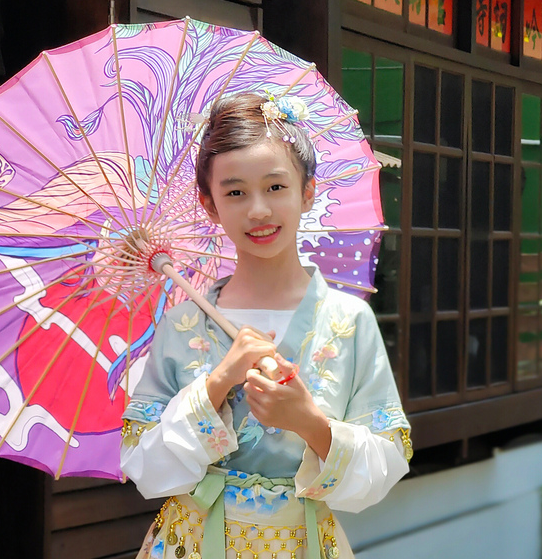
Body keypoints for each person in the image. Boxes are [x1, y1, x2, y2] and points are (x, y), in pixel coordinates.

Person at [121, 92, 412, 559]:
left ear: (308, 191)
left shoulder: (348, 321)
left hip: (301, 542)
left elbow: (385, 464)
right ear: (209, 204)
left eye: (276, 187)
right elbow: (144, 468)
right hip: (193, 543)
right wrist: (217, 383)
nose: (257, 210)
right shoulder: (182, 323)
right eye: (235, 192)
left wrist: (309, 422)